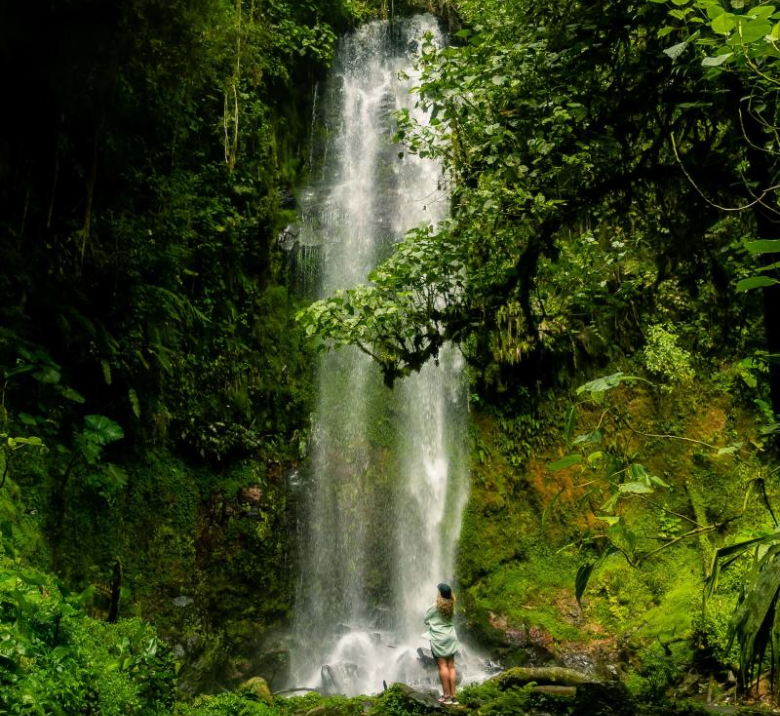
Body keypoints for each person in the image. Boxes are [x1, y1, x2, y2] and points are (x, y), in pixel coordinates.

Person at [422, 582, 459, 705]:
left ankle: (446, 695)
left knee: (442, 666)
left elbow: (426, 619)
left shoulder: (435, 606)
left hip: (439, 638)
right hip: (451, 636)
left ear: (440, 594)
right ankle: (454, 696)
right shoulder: (452, 605)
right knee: (451, 666)